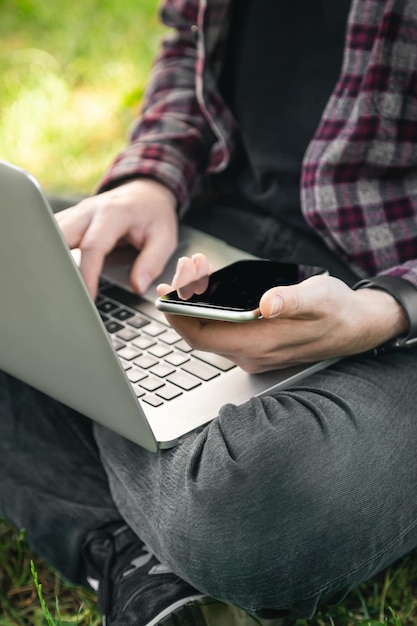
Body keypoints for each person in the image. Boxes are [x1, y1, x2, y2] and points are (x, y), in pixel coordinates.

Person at [2, 0, 417, 624]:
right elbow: (187, 53)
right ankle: (136, 556)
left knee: (246, 496)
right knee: (16, 256)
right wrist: (151, 180)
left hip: (390, 298)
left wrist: (383, 312)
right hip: (206, 236)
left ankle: (102, 493)